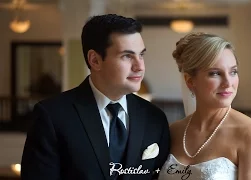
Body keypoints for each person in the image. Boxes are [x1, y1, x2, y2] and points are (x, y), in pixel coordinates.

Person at [21, 14, 170, 180]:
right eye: (127, 56)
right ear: (95, 60)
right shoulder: (52, 116)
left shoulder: (155, 118)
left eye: (141, 55)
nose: (140, 66)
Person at [158, 32, 251, 180]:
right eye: (215, 73)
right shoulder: (174, 132)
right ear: (190, 81)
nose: (228, 83)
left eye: (233, 72)